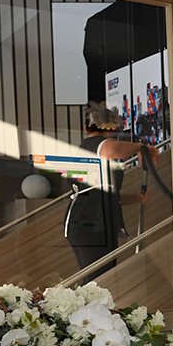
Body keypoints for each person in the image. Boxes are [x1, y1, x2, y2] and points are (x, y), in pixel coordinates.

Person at [64, 102, 157, 277]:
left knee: (99, 277)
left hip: (91, 221)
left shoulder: (87, 148)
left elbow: (105, 194)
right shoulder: (93, 145)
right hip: (91, 223)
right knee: (98, 278)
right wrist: (141, 147)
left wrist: (136, 198)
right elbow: (112, 149)